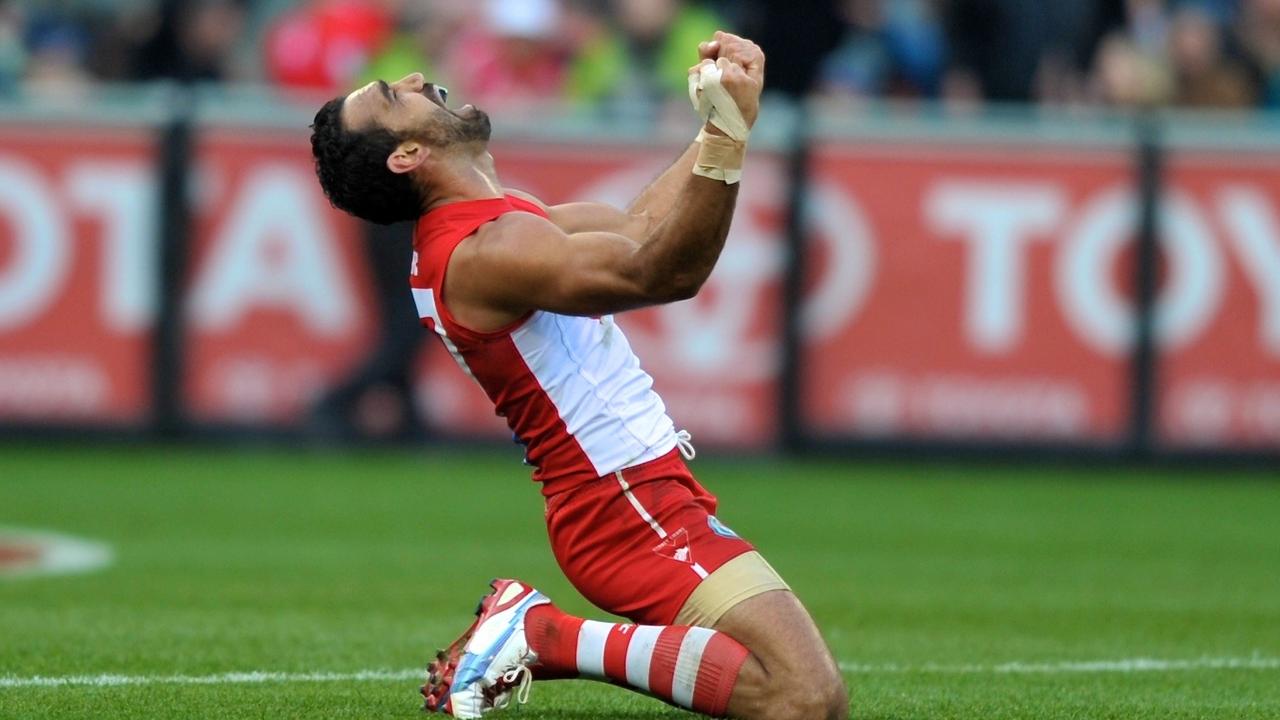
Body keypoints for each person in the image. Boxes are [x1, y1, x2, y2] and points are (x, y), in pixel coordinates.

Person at [308, 31, 847, 720]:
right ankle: (544, 636)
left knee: (804, 698)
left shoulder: (492, 226)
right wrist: (729, 137)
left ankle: (547, 636)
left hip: (627, 498)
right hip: (622, 506)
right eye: (392, 95)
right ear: (407, 154)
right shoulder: (484, 251)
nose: (412, 77)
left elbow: (636, 225)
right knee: (803, 698)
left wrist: (722, 118)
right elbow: (663, 271)